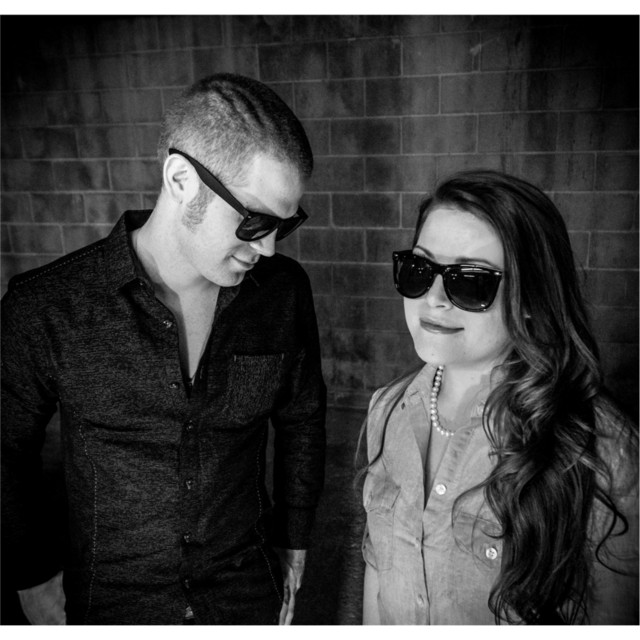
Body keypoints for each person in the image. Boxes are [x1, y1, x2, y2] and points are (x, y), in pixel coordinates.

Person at [1, 73, 326, 625]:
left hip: (244, 592)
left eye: (286, 223)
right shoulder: (47, 307)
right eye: (255, 220)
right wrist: (31, 575)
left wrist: (294, 538)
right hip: (110, 603)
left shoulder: (282, 294)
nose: (269, 247)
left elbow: (302, 418)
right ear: (181, 180)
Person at [359, 170, 638, 624]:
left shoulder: (599, 448)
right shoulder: (387, 410)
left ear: (530, 298)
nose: (434, 298)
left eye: (470, 281)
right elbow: (378, 574)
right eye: (419, 269)